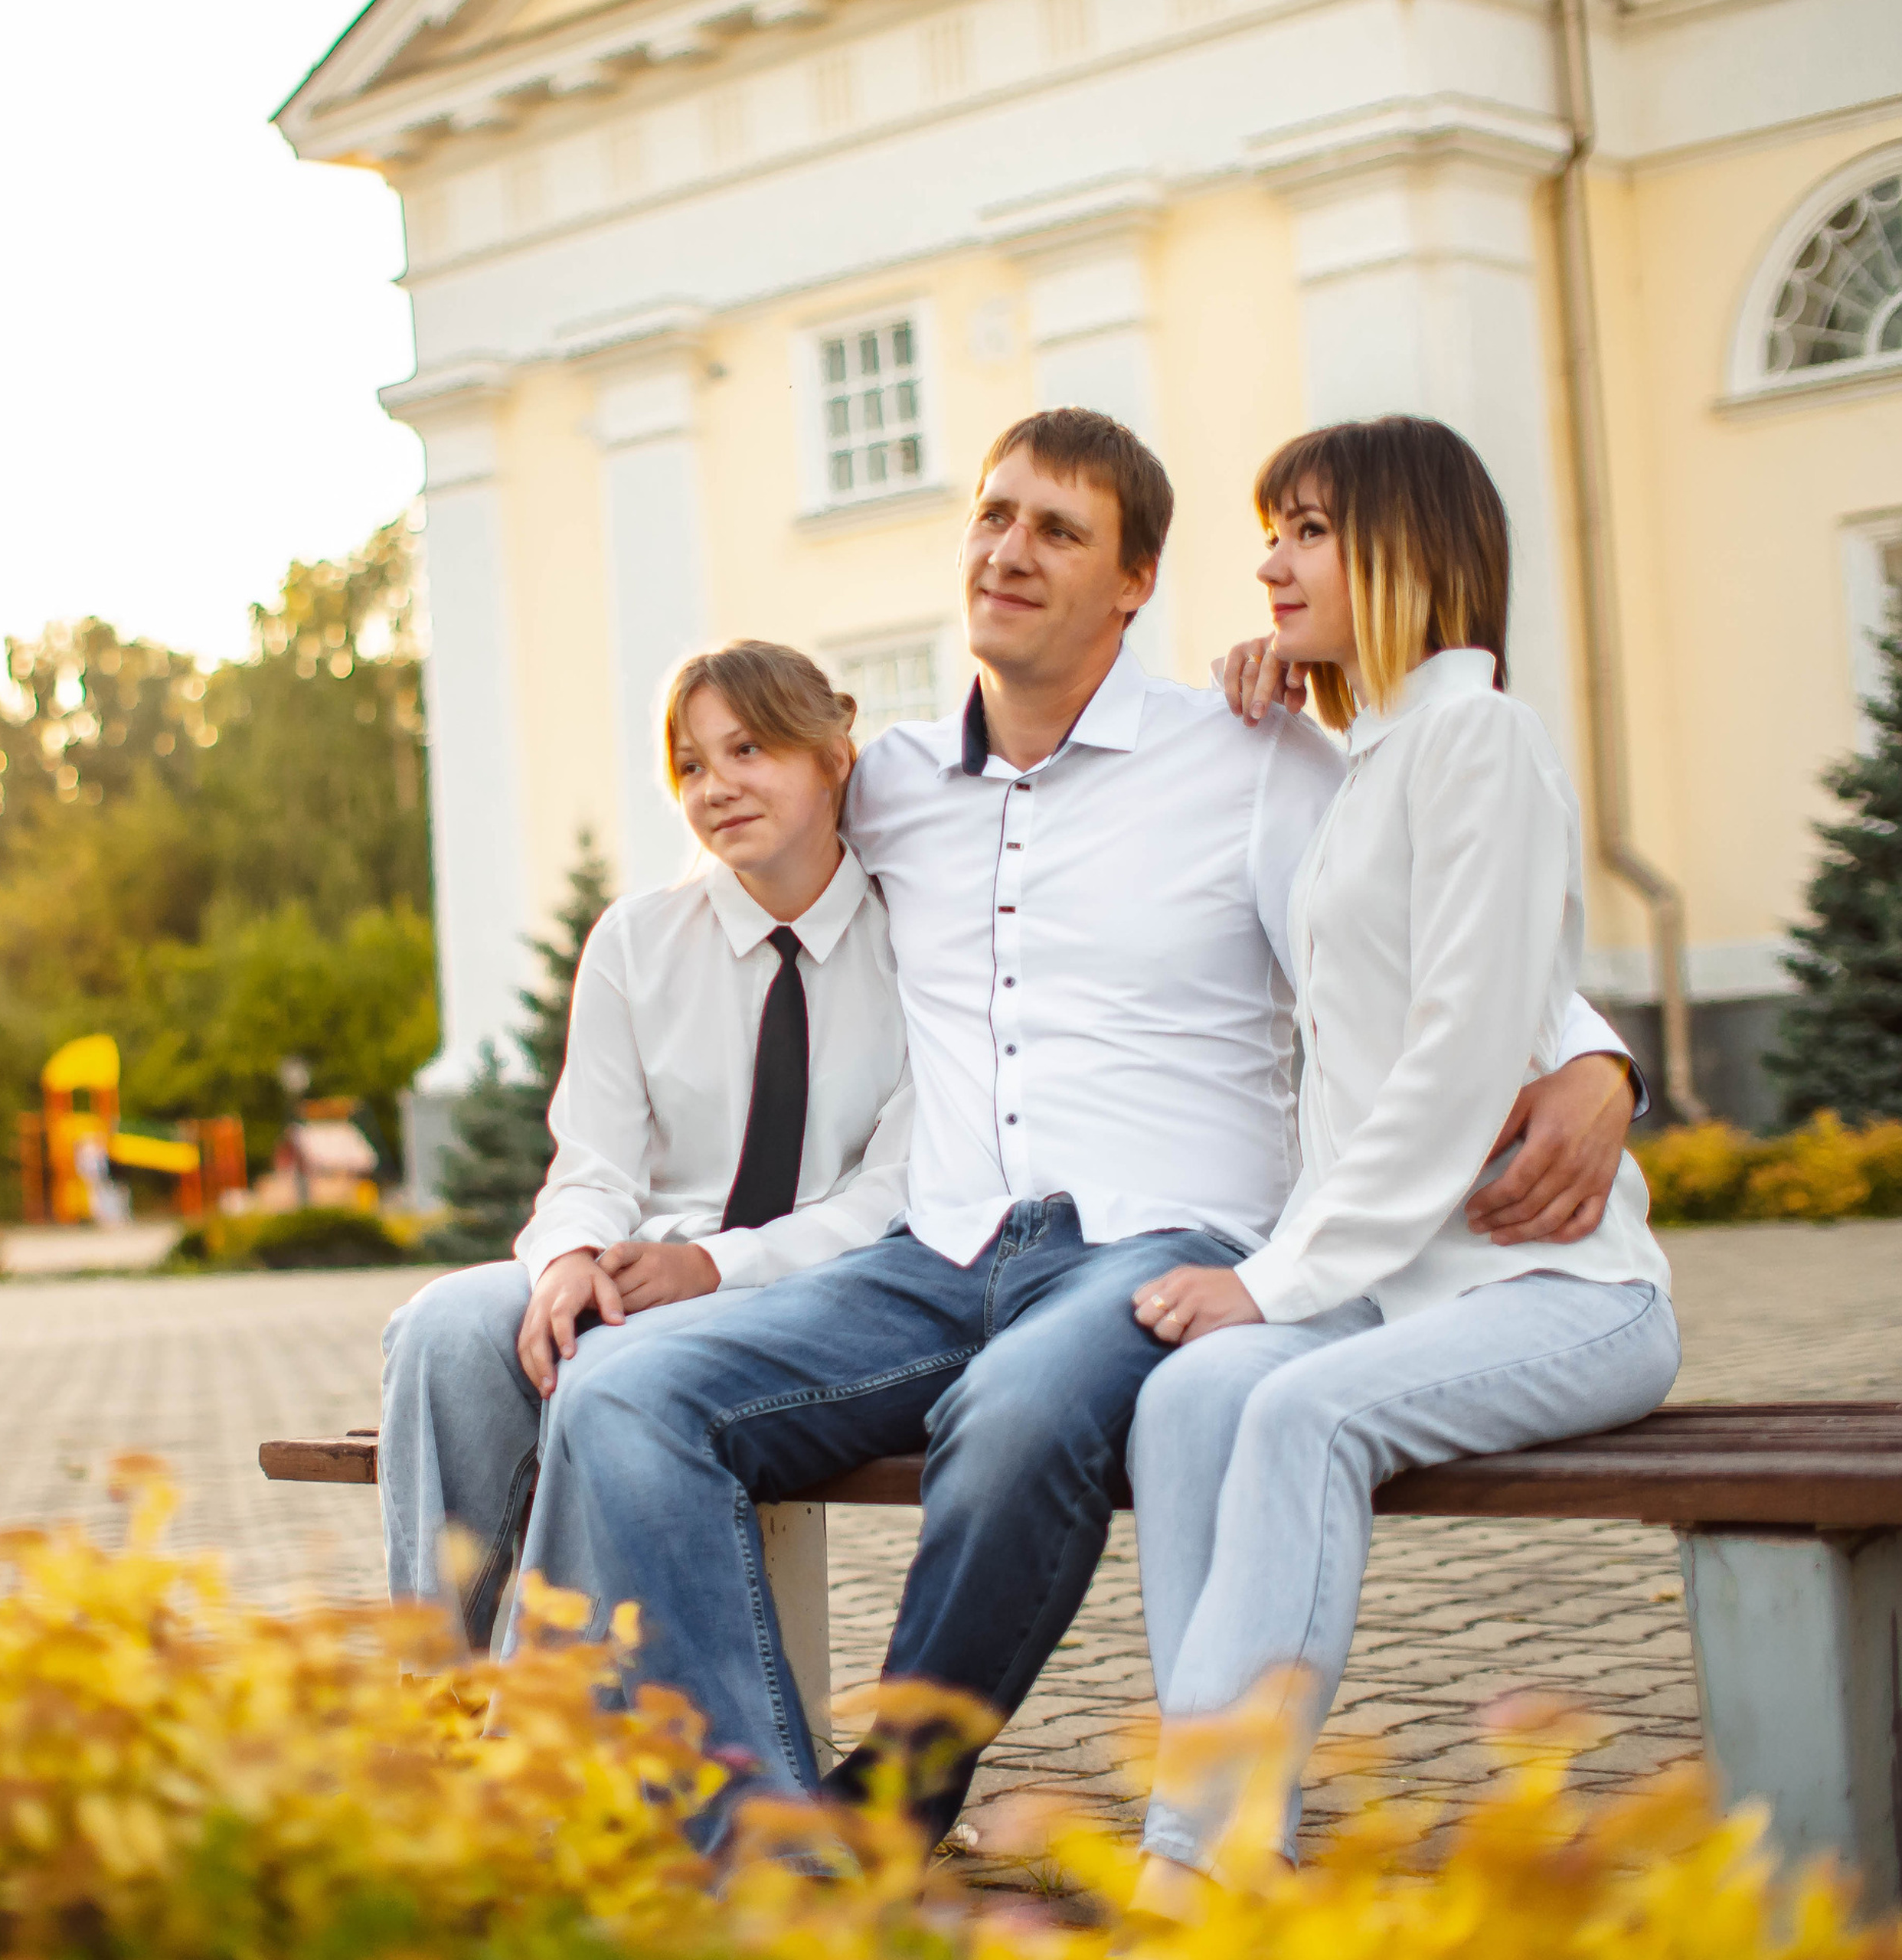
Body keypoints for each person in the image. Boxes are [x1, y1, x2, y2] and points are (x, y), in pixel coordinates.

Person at [514, 408, 1649, 1850]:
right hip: (939, 1249)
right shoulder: (896, 784)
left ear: (1137, 580)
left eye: (1059, 528)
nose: (1010, 549)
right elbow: (757, 825)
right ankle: (769, 1843)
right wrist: (608, 1213)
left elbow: (1424, 923)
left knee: (1020, 1415)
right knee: (622, 1395)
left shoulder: (1252, 758)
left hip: (1159, 1239)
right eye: (994, 516)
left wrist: (1597, 1061)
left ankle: (896, 1805)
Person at [1125, 416, 1678, 1911]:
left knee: (1296, 1406)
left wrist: (1273, 1280)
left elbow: (1451, 1056)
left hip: (1558, 1287)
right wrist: (1293, 714)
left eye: (1305, 527)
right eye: (1270, 528)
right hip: (1407, 1292)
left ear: (1408, 546)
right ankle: (1246, 1833)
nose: (1266, 558)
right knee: (1186, 1403)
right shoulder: (1374, 757)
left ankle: (1191, 1869)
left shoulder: (1478, 737)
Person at [379, 641, 912, 1649]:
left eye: (748, 749)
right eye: (693, 766)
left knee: (611, 1366)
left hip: (808, 1287)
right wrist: (570, 1261)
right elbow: (593, 1159)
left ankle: (547, 1741)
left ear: (834, 754)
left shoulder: (918, 948)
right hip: (635, 1261)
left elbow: (892, 1191)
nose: (717, 787)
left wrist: (709, 1265)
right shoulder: (636, 942)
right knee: (444, 1329)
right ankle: (437, 1704)